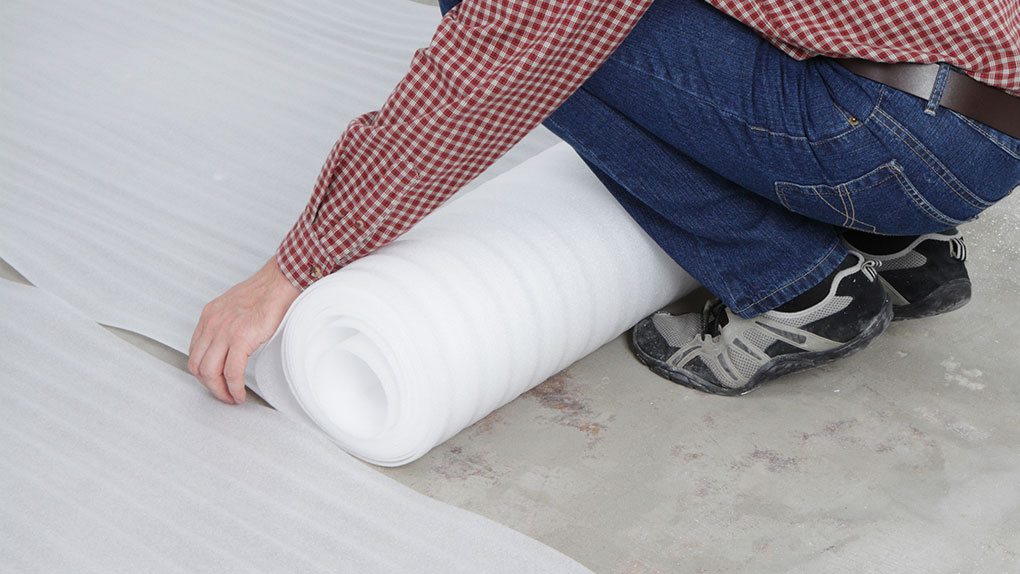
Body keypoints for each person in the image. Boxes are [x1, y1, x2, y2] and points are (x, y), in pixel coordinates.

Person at [189, 0, 1020, 404]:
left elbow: (485, 76)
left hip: (895, 141)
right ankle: (900, 245)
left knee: (519, 28)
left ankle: (796, 287)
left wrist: (293, 270)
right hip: (983, 124)